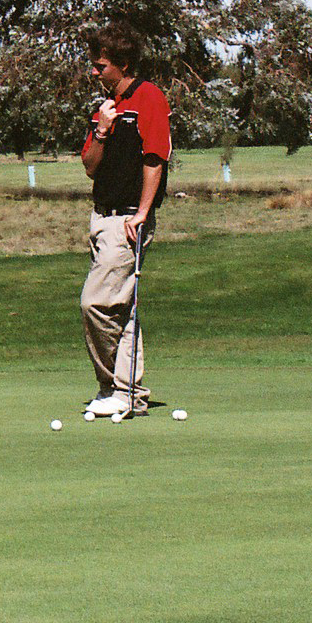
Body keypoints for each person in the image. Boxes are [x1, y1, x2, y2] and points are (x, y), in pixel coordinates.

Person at [78, 24, 171, 420]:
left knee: (95, 303)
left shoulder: (148, 97)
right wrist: (101, 128)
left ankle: (116, 387)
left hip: (128, 219)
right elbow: (89, 166)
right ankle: (124, 392)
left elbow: (155, 158)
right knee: (122, 309)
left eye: (100, 66)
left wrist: (143, 213)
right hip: (101, 217)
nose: (94, 73)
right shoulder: (106, 107)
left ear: (123, 63)